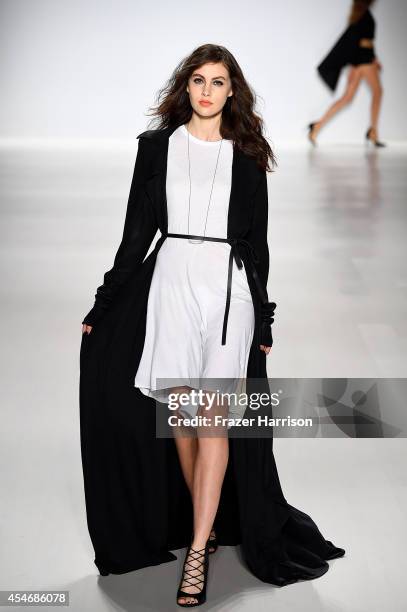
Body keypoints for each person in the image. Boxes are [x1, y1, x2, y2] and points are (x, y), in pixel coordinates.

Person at [80, 43, 345, 608]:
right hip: (170, 285)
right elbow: (135, 233)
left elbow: (259, 242)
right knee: (181, 417)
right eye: (198, 80)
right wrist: (103, 304)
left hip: (229, 293)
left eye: (217, 82)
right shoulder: (156, 149)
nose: (206, 91)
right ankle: (208, 521)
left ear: (232, 92)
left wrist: (264, 315)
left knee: (214, 422)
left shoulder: (248, 154)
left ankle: (198, 551)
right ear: (186, 88)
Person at [309, 0, 385, 147]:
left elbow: (359, 40)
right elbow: (360, 41)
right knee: (378, 92)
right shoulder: (363, 16)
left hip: (361, 60)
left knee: (347, 98)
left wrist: (369, 59)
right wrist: (369, 58)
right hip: (364, 60)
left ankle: (316, 127)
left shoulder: (359, 15)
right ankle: (373, 133)